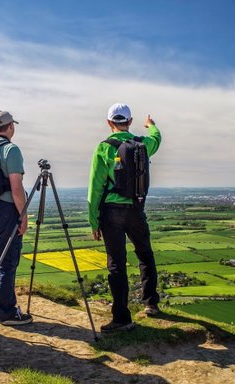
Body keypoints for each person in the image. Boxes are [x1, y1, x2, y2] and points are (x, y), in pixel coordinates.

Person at [87, 103, 162, 333]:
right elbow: (157, 140)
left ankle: (121, 318)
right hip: (136, 209)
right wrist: (152, 126)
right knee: (144, 253)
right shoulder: (142, 144)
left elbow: (95, 188)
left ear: (110, 123)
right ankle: (151, 304)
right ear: (129, 122)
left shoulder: (104, 148)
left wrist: (94, 221)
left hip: (111, 213)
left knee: (116, 264)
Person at [0, 111, 32, 326]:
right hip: (6, 209)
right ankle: (7, 312)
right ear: (10, 126)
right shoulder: (11, 150)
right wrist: (23, 216)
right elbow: (16, 188)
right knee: (7, 262)